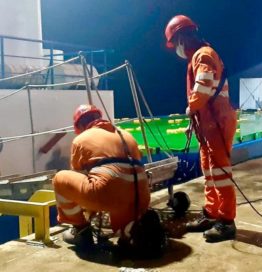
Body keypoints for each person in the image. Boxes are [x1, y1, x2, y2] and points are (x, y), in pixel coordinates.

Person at [164, 15, 237, 242]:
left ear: (182, 38)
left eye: (175, 42)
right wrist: (191, 122)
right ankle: (212, 213)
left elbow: (203, 87)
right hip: (208, 125)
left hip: (217, 123)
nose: (177, 48)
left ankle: (226, 221)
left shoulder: (203, 55)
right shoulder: (199, 55)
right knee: (209, 172)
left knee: (220, 174)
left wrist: (191, 107)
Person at [52, 104, 151, 248]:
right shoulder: (126, 134)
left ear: (79, 126)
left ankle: (81, 231)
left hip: (108, 195)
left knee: (60, 179)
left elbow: (78, 178)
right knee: (121, 196)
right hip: (141, 197)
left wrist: (90, 211)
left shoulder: (81, 139)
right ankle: (128, 230)